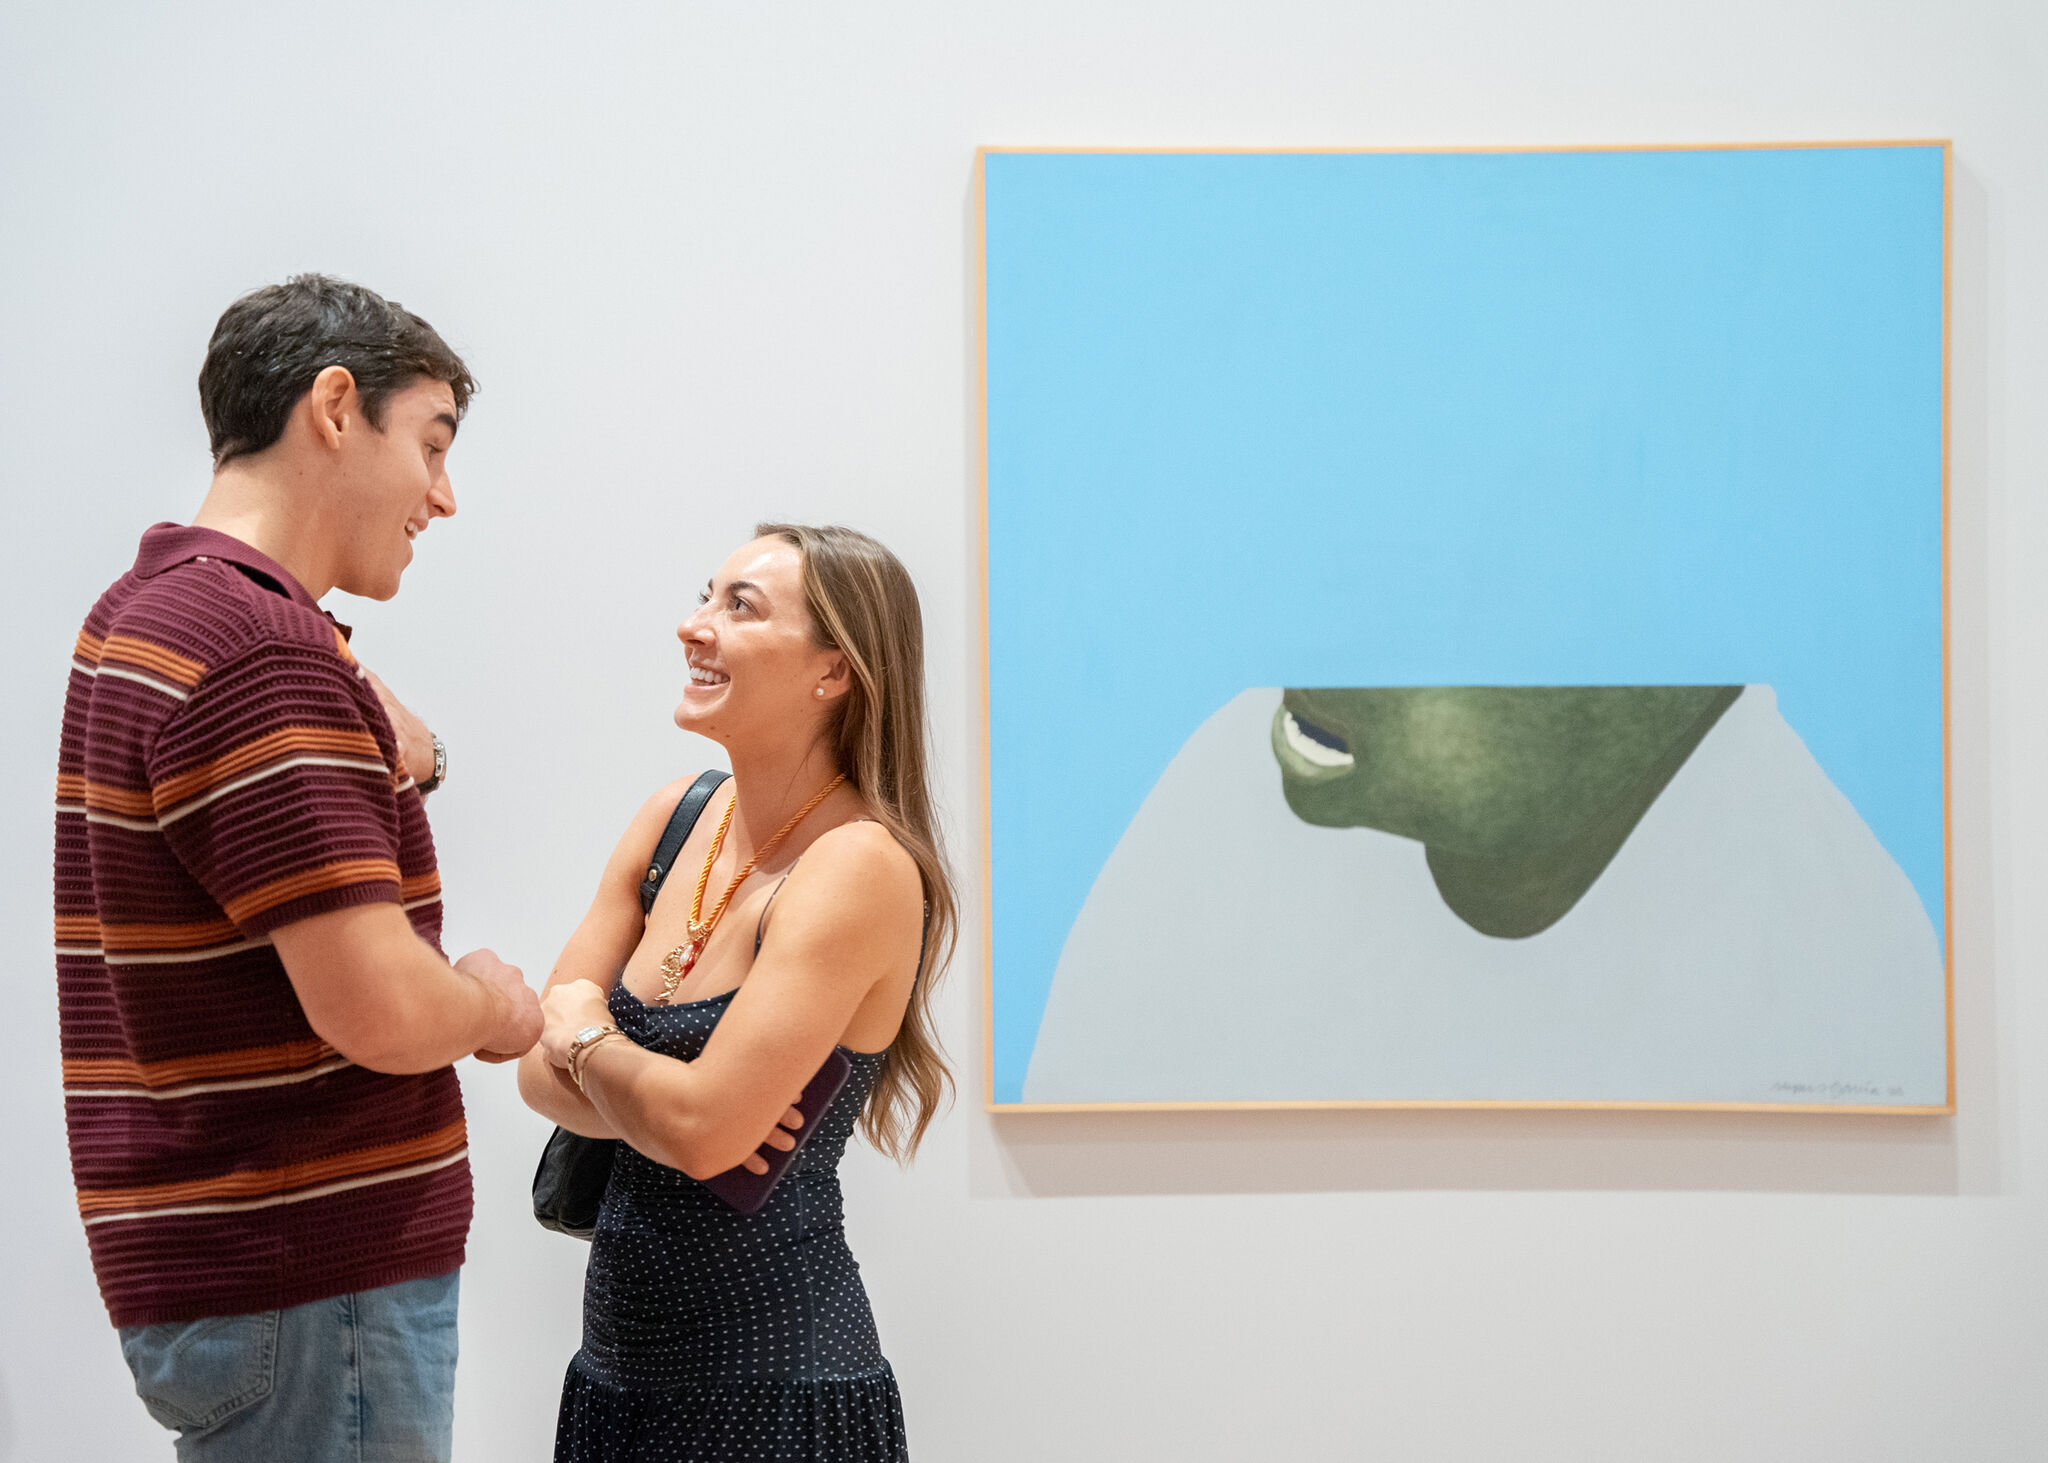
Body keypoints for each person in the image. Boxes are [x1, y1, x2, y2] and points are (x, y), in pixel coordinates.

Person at [53, 275, 543, 1461]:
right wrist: (492, 1002)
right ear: (335, 406)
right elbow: (377, 1004)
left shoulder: (149, 613)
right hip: (312, 1278)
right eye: (430, 443)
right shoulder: (261, 653)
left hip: (238, 1273)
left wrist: (359, 708)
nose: (443, 496)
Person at [519, 522, 954, 1463]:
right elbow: (532, 1072)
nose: (693, 625)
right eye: (705, 594)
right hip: (614, 1378)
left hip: (775, 1395)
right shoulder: (676, 816)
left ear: (832, 672)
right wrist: (662, 1099)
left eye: (738, 607)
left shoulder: (859, 867)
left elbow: (700, 1128)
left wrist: (589, 1037)